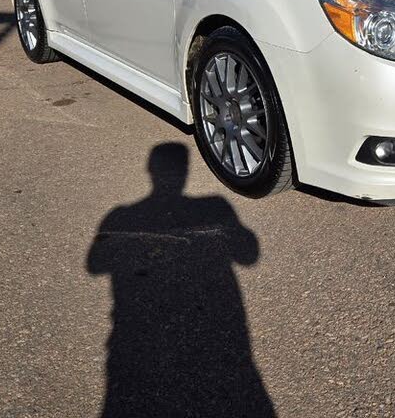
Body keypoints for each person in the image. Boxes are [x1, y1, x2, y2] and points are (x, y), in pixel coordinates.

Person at [87, 143, 274, 417]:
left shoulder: (120, 215)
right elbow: (249, 254)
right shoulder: (215, 205)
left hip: (137, 334)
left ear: (150, 171)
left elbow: (95, 265)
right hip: (221, 331)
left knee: (134, 396)